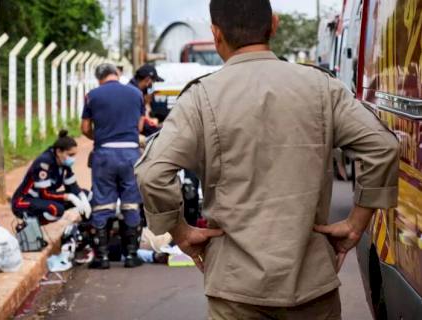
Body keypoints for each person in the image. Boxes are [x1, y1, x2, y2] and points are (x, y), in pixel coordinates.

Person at [135, 0, 400, 319]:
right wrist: (357, 223)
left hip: (235, 288)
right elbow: (383, 146)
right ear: (273, 25)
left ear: (216, 34)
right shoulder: (322, 87)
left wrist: (179, 231)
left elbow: (152, 172)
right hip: (312, 283)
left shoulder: (201, 98)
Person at [81, 63, 145, 269]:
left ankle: (102, 257)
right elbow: (140, 126)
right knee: (131, 203)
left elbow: (84, 128)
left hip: (105, 153)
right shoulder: (136, 94)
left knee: (102, 203)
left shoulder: (92, 95)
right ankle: (131, 256)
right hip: (131, 153)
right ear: (117, 74)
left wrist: (99, 137)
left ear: (99, 77)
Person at [12, 130, 91, 226]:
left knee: (87, 195)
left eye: (74, 155)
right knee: (56, 209)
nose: (73, 159)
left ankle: (86, 227)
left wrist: (82, 197)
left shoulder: (64, 163)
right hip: (23, 201)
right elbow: (44, 193)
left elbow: (72, 187)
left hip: (42, 199)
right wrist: (69, 197)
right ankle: (30, 225)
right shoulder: (44, 164)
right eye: (70, 155)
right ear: (58, 152)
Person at [129, 64, 164, 136]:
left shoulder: (132, 89)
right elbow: (140, 126)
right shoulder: (136, 93)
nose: (152, 85)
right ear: (147, 80)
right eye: (153, 81)